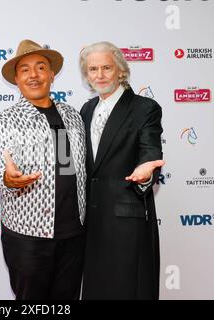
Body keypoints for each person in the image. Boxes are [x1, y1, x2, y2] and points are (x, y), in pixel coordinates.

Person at [0, 39, 87, 300]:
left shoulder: (72, 116)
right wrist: (9, 179)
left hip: (73, 234)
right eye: (25, 70)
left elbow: (69, 167)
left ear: (52, 75)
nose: (34, 75)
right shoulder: (4, 121)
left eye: (41, 67)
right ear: (16, 80)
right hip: (28, 237)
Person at [79, 41, 165, 300]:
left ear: (120, 70)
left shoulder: (144, 108)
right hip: (91, 222)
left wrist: (146, 173)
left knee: (130, 290)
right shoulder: (87, 109)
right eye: (93, 69)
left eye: (107, 67)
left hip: (127, 219)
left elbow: (150, 150)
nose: (100, 75)